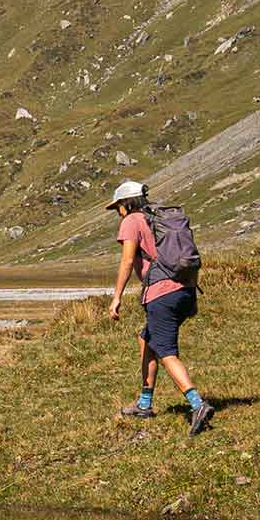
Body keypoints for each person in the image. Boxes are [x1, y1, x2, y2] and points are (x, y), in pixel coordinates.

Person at [105, 180, 213, 434]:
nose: (118, 212)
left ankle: (197, 404)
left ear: (126, 203)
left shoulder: (132, 221)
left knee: (165, 351)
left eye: (118, 206)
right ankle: (144, 403)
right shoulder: (160, 218)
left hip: (161, 293)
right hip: (184, 289)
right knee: (147, 339)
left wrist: (116, 297)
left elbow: (128, 260)